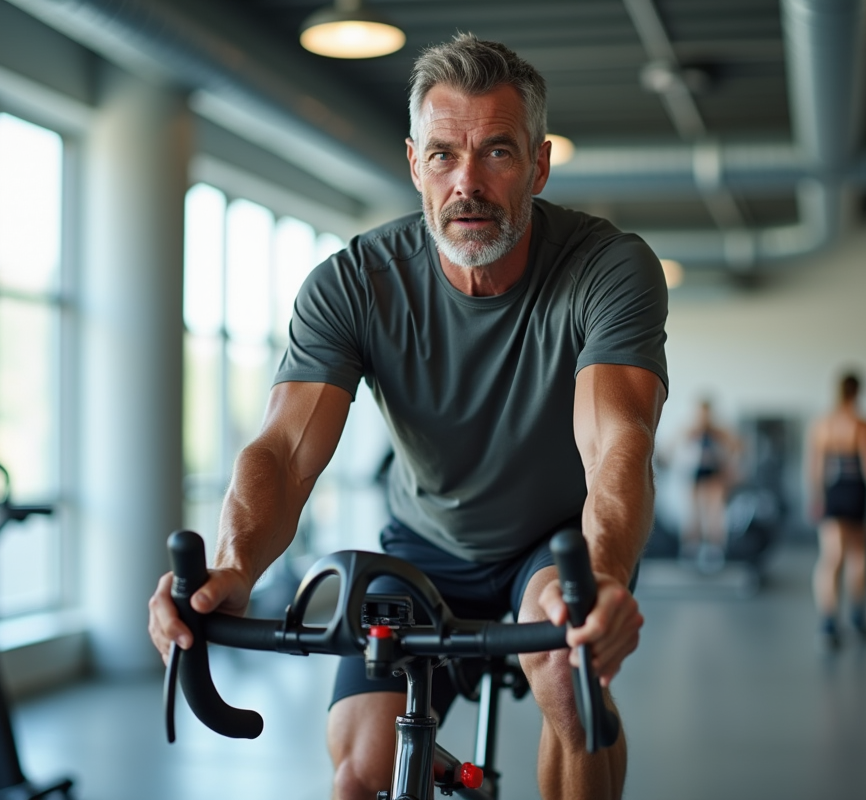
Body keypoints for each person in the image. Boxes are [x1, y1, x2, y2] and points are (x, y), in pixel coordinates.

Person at [148, 34, 668, 800]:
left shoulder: (606, 268)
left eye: (496, 153)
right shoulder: (354, 283)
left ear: (539, 163)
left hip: (553, 550)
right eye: (442, 156)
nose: (468, 183)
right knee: (360, 776)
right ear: (413, 163)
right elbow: (284, 457)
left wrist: (600, 580)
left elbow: (617, 442)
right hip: (424, 549)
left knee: (567, 671)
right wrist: (234, 566)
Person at [806, 371, 866, 651]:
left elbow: (815, 466)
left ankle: (828, 623)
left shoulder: (822, 424)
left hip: (834, 492)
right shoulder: (864, 425)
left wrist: (816, 497)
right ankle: (857, 618)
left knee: (831, 558)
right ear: (858, 392)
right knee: (858, 556)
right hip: (856, 491)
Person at [682, 398, 739, 570]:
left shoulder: (719, 432)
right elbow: (672, 450)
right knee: (693, 514)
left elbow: (737, 446)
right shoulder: (690, 431)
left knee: (715, 514)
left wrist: (727, 462)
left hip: (715, 475)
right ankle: (691, 549)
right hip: (695, 475)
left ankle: (715, 550)